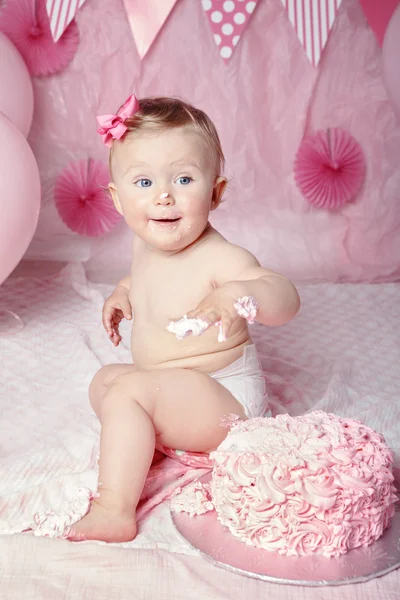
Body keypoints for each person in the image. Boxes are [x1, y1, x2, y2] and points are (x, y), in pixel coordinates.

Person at [69, 94, 300, 542]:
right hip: (177, 389)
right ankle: (151, 438)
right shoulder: (147, 242)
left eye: (183, 178)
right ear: (117, 200)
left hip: (225, 399)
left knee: (130, 393)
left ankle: (114, 509)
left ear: (215, 192)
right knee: (105, 383)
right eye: (143, 182)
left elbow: (284, 296)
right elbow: (145, 279)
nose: (163, 195)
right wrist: (122, 292)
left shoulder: (221, 257)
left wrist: (239, 293)